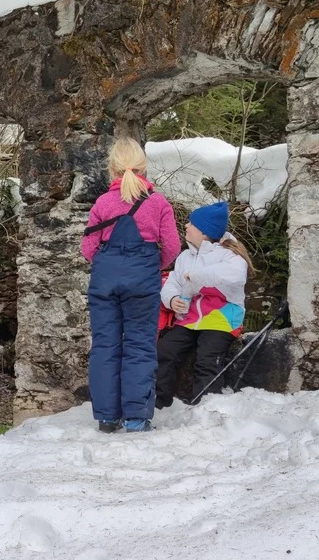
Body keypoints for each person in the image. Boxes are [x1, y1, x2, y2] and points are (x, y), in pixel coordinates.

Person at [81, 137, 180, 434]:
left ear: (112, 167)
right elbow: (172, 247)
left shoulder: (102, 202)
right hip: (143, 279)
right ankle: (136, 417)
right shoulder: (158, 202)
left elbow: (88, 249)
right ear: (143, 167)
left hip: (105, 281)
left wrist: (110, 264)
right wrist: (152, 265)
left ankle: (107, 417)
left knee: (105, 346)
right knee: (139, 344)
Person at [157, 201, 254, 408]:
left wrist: (196, 277)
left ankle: (207, 408)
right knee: (165, 351)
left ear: (204, 232)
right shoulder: (185, 256)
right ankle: (159, 403)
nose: (186, 226)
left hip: (221, 319)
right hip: (189, 319)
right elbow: (172, 283)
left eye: (191, 223)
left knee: (207, 359)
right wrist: (172, 300)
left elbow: (236, 276)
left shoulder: (230, 255)